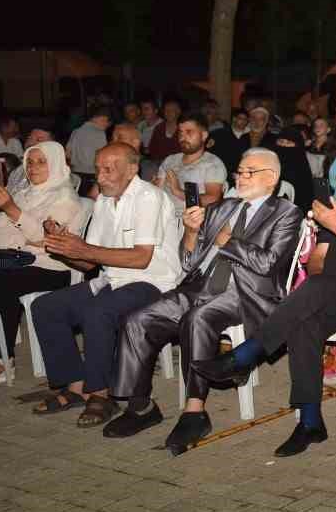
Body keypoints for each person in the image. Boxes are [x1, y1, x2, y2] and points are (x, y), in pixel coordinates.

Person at [191, 141, 336, 456]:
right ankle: (310, 422)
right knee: (304, 319)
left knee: (315, 290)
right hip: (334, 294)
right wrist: (323, 275)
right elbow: (318, 260)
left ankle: (245, 356)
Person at [105, 149, 304, 452]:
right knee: (137, 320)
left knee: (197, 319)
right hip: (200, 286)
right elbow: (189, 262)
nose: (241, 177)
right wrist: (190, 231)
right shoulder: (222, 208)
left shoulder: (286, 213)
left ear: (271, 178)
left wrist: (228, 242)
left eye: (250, 172)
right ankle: (141, 406)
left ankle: (194, 411)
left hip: (244, 293)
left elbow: (267, 263)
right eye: (240, 171)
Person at [30, 143, 183, 427]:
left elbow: (141, 258)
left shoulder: (148, 197)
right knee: (46, 307)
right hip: (113, 280)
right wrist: (64, 246)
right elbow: (88, 263)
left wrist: (83, 249)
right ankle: (76, 386)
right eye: (98, 169)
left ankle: (100, 394)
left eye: (108, 170)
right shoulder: (103, 201)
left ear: (132, 170)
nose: (100, 177)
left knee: (98, 311)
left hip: (153, 282)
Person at [0, 143, 90, 386]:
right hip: (17, 262)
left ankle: (1, 358)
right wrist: (27, 237)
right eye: (30, 161)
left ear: (56, 163)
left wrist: (13, 212)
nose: (33, 167)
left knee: (2, 284)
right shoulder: (23, 194)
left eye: (41, 162)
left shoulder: (66, 199)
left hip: (53, 267)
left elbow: (48, 241)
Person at [157, 114, 227, 209]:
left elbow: (212, 199)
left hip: (188, 216)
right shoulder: (170, 160)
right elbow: (158, 190)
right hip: (162, 212)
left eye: (189, 132)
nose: (183, 137)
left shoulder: (212, 164)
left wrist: (178, 192)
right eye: (180, 133)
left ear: (204, 135)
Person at [271, 125, 318, 215]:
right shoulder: (269, 161)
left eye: (288, 143)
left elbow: (305, 197)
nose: (283, 145)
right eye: (281, 141)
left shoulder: (301, 167)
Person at [66, 105, 112, 192]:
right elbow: (104, 156)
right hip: (93, 175)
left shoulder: (76, 131)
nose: (107, 125)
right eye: (105, 121)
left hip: (75, 175)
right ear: (96, 118)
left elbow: (68, 154)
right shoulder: (100, 133)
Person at [145, 97, 184, 164]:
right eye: (166, 110)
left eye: (171, 110)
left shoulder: (184, 129)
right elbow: (152, 149)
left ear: (178, 112)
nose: (168, 113)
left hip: (179, 164)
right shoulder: (159, 128)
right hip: (158, 164)